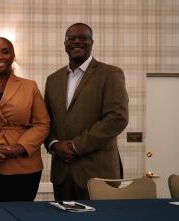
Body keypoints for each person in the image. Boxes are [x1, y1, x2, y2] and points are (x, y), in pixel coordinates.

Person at [44, 23, 129, 200]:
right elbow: (45, 120)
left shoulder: (110, 74)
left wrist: (76, 146)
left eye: (83, 38)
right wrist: (54, 145)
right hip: (62, 174)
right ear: (65, 44)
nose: (77, 42)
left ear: (92, 42)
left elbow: (117, 118)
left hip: (98, 174)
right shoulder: (53, 79)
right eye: (71, 38)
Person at [0, 37, 50, 202]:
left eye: (5, 52)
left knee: (20, 218)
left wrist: (19, 148)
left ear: (13, 56)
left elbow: (42, 124)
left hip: (23, 165)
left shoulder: (30, 86)